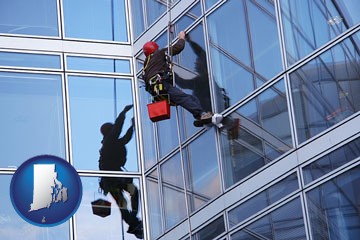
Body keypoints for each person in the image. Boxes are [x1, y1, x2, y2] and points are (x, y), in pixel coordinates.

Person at [142, 30, 213, 126]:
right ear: (155, 49)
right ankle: (201, 114)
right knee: (184, 98)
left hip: (157, 91)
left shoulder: (146, 67)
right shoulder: (159, 54)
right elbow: (178, 48)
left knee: (190, 98)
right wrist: (181, 38)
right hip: (163, 85)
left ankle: (199, 116)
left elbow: (148, 80)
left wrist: (168, 68)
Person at [98, 104, 143, 239]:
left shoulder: (113, 143)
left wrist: (132, 127)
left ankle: (133, 220)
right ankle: (133, 222)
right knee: (123, 202)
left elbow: (125, 139)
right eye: (112, 130)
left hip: (115, 178)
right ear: (109, 132)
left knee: (133, 192)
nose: (114, 132)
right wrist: (123, 113)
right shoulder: (109, 142)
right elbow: (118, 129)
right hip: (112, 180)